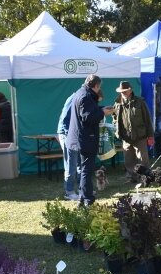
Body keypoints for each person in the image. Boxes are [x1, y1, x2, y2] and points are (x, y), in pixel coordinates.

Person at [67, 75, 113, 206]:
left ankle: (83, 198)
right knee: (87, 170)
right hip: (85, 138)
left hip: (79, 137)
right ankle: (88, 200)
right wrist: (103, 113)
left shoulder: (79, 93)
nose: (99, 90)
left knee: (84, 170)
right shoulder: (86, 96)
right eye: (99, 87)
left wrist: (101, 109)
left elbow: (88, 112)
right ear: (96, 86)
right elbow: (87, 117)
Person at [112, 81, 154, 183]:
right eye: (122, 91)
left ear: (130, 90)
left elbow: (147, 119)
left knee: (142, 159)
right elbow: (114, 118)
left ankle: (145, 177)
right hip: (125, 137)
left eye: (125, 91)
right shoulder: (117, 103)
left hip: (140, 135)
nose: (123, 93)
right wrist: (117, 130)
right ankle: (132, 177)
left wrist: (150, 136)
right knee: (129, 160)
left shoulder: (140, 102)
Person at [57, 92, 80, 200]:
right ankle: (69, 192)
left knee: (80, 163)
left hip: (75, 134)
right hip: (67, 135)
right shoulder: (74, 99)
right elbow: (66, 118)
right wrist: (68, 135)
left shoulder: (82, 97)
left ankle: (82, 188)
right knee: (71, 164)